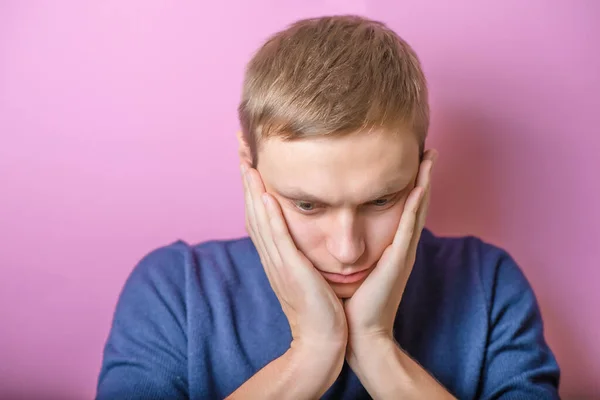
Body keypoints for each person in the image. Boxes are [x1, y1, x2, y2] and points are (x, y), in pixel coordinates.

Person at [96, 15, 560, 400]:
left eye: (382, 200)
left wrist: (377, 348)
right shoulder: (174, 290)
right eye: (307, 205)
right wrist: (312, 353)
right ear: (248, 168)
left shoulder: (489, 284)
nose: (347, 250)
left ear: (422, 173)